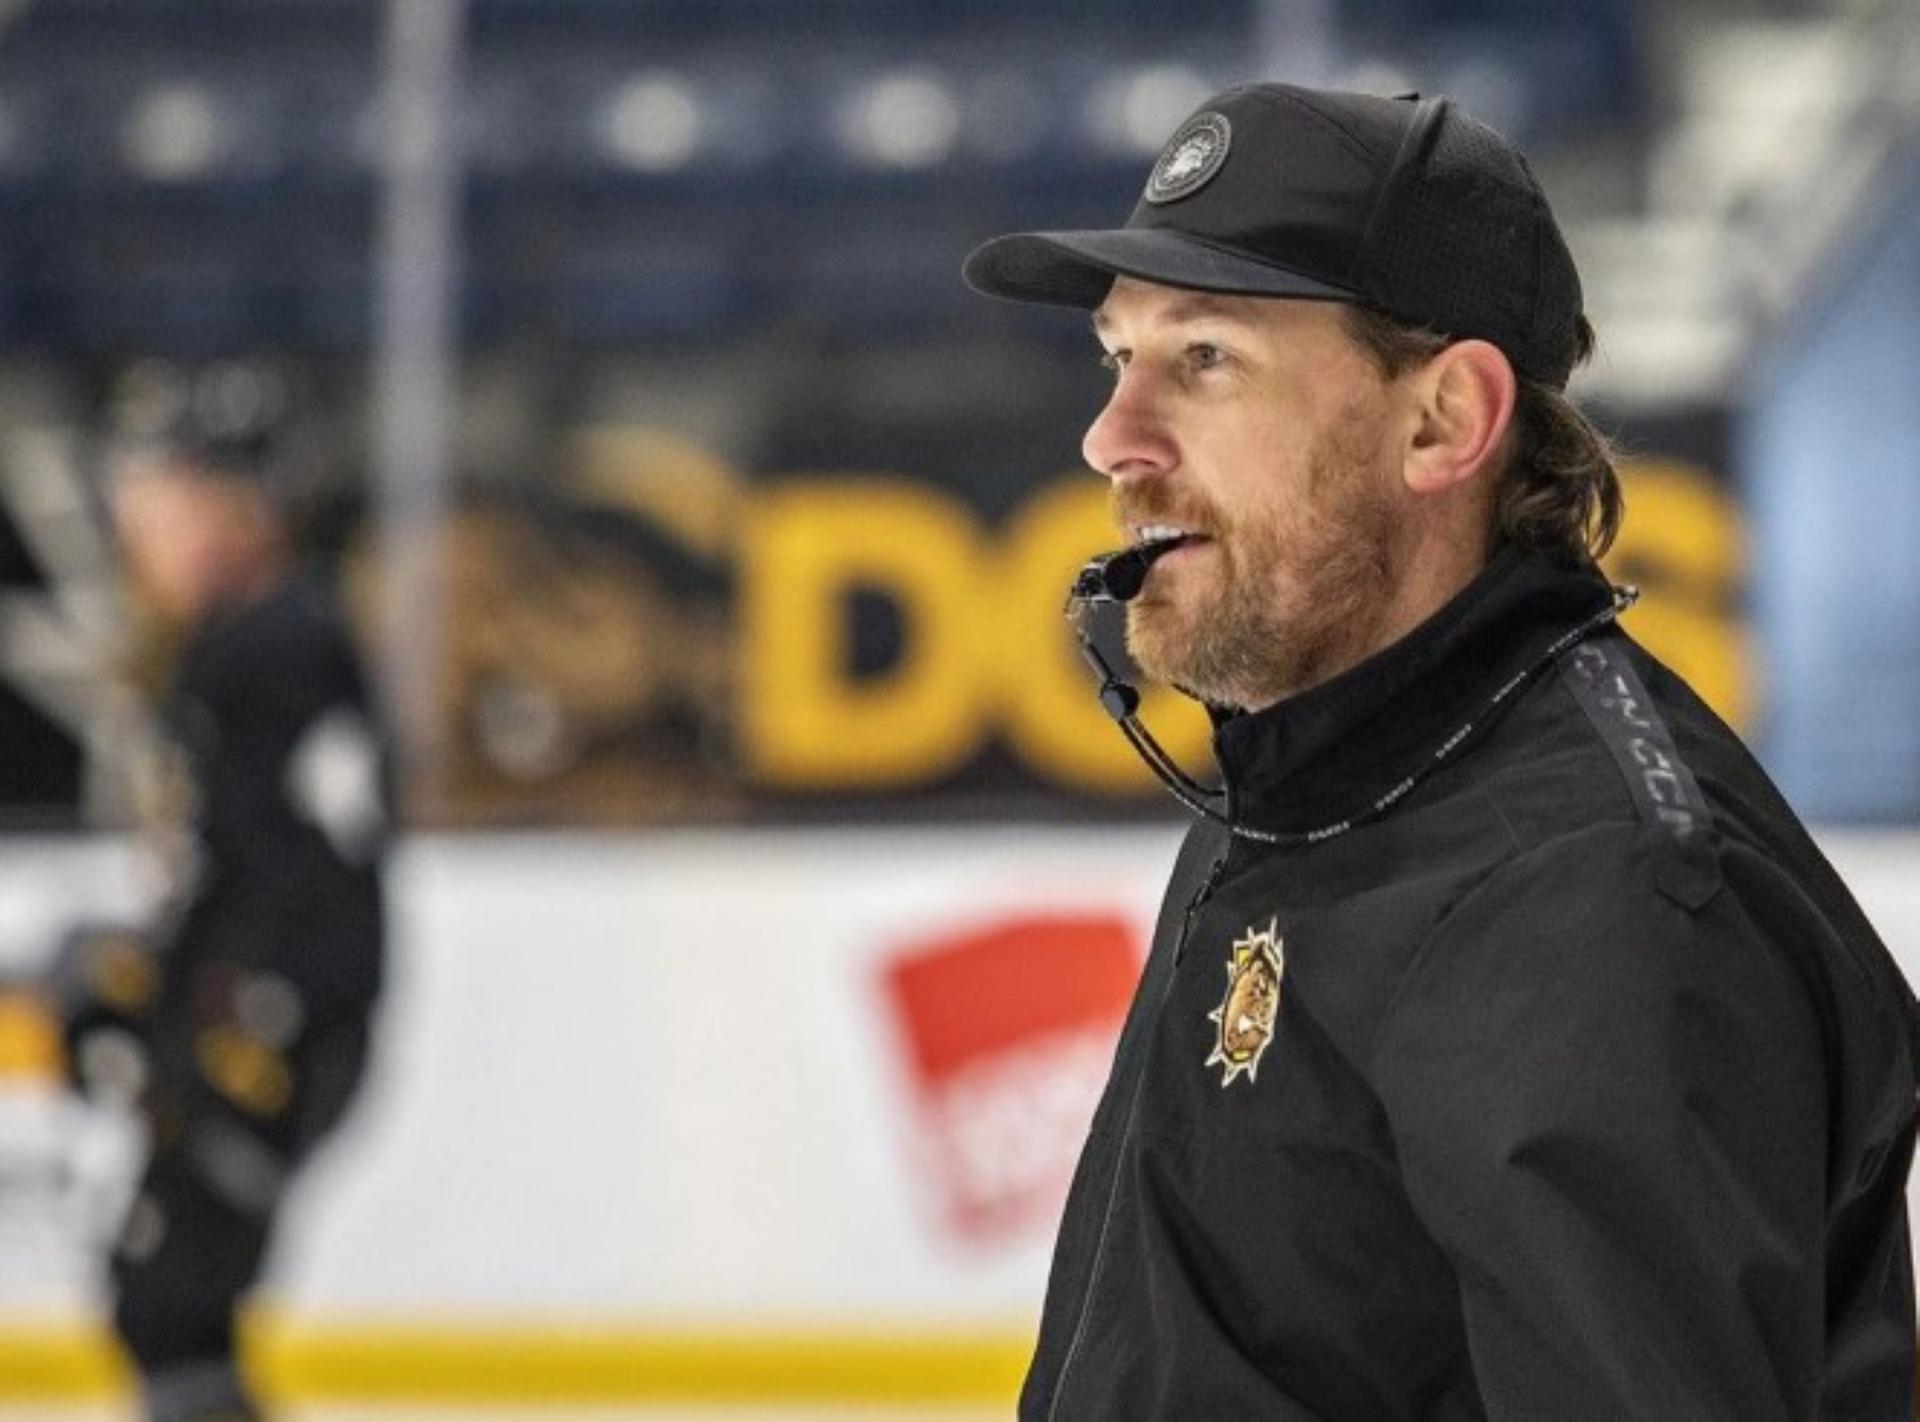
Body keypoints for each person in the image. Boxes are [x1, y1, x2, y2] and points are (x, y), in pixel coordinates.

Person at [963, 84, 1920, 1419]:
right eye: (1115, 358)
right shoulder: (1309, 775)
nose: (1111, 439)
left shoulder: (1601, 900)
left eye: (1204, 360)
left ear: (1443, 423)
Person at [60, 364, 387, 1422]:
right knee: (169, 1304)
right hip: (256, 1017)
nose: (134, 532)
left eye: (158, 501)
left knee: (171, 1303)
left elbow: (297, 881)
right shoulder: (256, 642)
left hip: (262, 1027)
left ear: (230, 507)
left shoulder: (270, 648)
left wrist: (226, 1019)